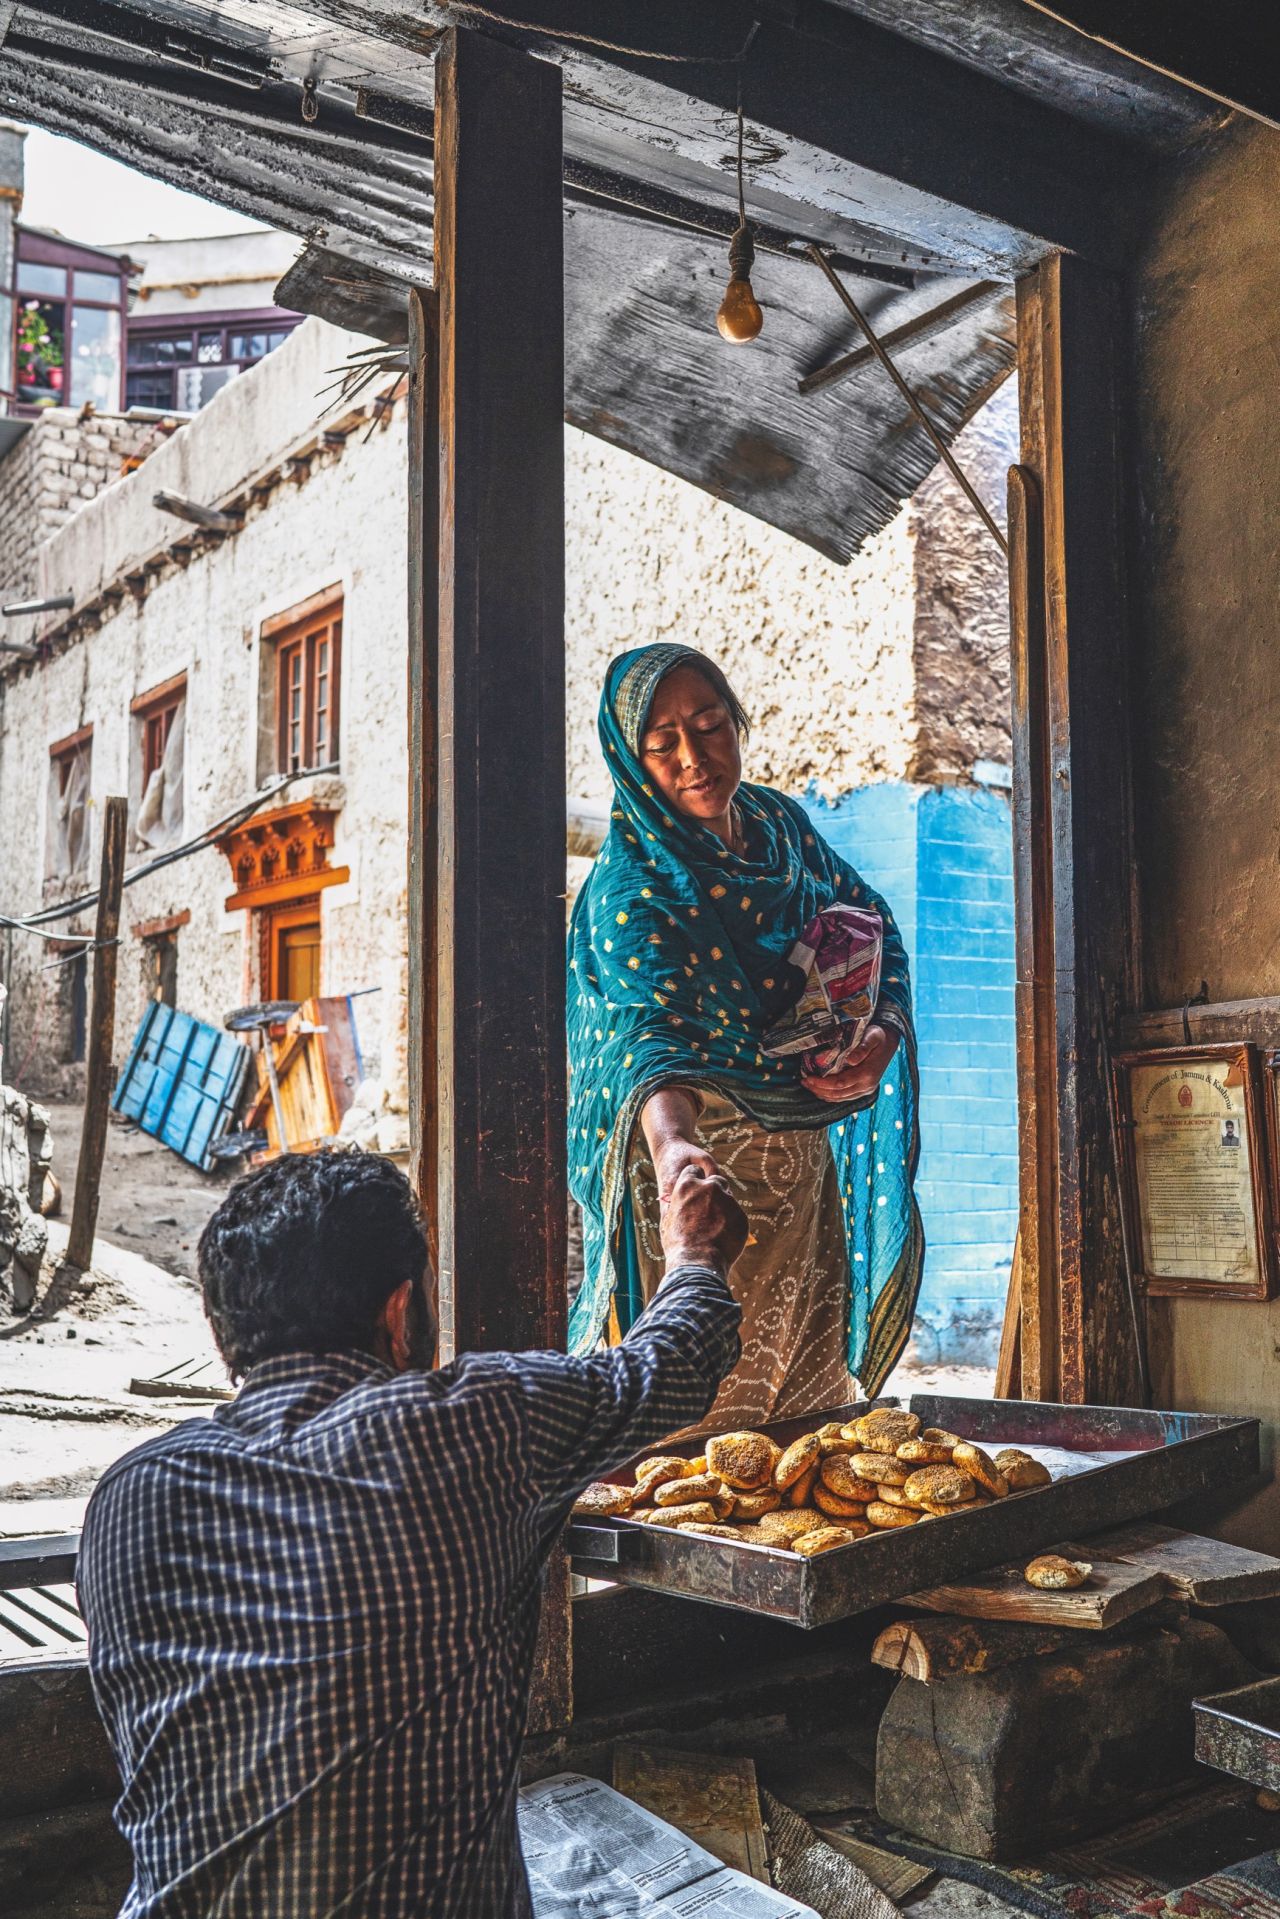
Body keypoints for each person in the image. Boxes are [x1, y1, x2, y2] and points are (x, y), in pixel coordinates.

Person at [77, 1148, 747, 1918]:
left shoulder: (125, 1499)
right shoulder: (466, 1427)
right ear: (400, 1313)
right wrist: (694, 1250)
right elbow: (669, 1363)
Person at [568, 642, 923, 1424]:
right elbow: (646, 1038)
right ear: (631, 760)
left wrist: (883, 1034)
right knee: (702, 1414)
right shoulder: (635, 884)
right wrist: (676, 1157)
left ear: (737, 723)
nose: (695, 758)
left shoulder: (777, 827)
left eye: (710, 725)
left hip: (798, 1165)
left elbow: (873, 922)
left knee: (804, 1409)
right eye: (663, 745)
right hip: (700, 1187)